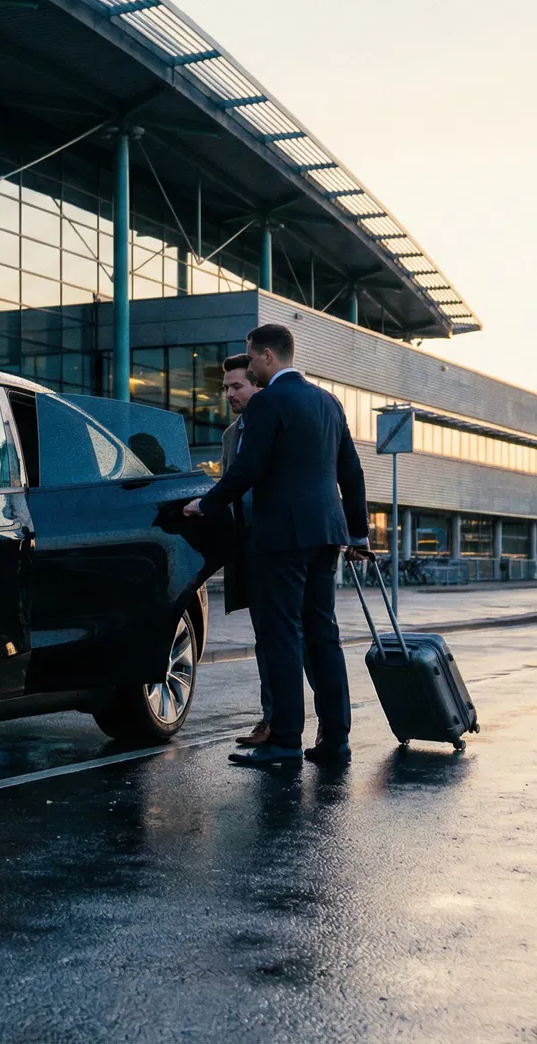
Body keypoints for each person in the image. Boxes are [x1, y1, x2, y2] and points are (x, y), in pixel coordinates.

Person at [183, 324, 370, 766]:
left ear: (267, 356)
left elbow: (246, 470)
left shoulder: (268, 401)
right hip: (327, 533)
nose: (249, 367)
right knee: (323, 635)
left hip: (281, 538)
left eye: (251, 359)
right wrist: (358, 534)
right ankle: (335, 740)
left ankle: (285, 741)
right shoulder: (328, 402)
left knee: (282, 635)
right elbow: (352, 471)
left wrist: (204, 505)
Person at [218, 353, 272, 748]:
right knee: (266, 638)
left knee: (296, 638)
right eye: (226, 388)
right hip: (250, 546)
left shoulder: (276, 421)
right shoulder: (230, 435)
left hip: (283, 542)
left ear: (257, 383)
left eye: (237, 386)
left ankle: (319, 722)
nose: (229, 394)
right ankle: (271, 718)